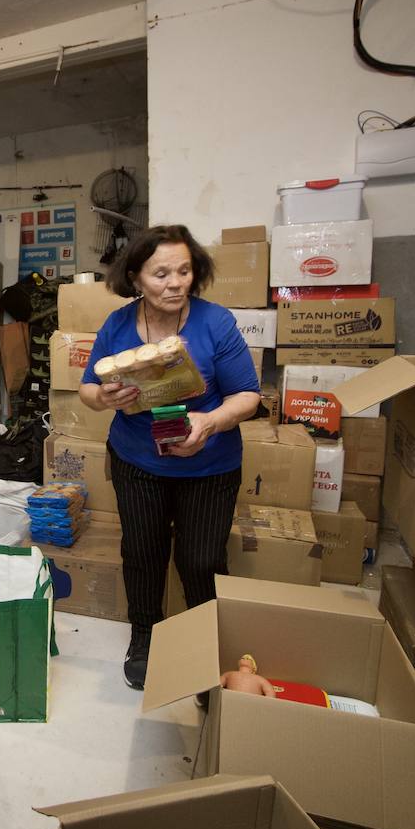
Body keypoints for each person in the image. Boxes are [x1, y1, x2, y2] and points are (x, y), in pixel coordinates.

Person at [77, 225, 260, 690]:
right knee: (142, 552)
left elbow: (249, 396)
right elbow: (87, 388)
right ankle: (145, 634)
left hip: (210, 465)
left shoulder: (215, 322)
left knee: (201, 561)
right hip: (138, 461)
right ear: (136, 277)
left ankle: (204, 646)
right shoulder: (118, 325)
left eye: (184, 271)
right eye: (161, 273)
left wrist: (210, 422)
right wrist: (105, 399)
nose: (175, 282)